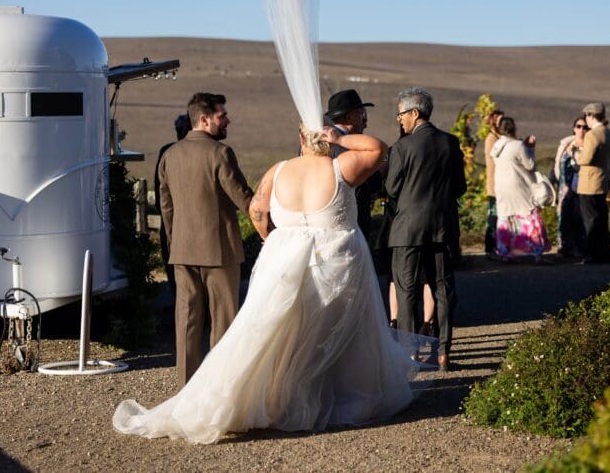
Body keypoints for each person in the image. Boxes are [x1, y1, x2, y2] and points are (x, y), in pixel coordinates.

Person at [114, 126, 418, 443]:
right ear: (325, 137)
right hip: (336, 265)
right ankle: (323, 397)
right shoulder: (340, 168)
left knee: (275, 333)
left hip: (282, 264)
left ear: (301, 139)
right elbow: (377, 149)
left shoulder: (279, 169)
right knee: (332, 333)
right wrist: (341, 139)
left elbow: (257, 210)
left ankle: (267, 399)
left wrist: (268, 238)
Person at [158, 93, 254, 387]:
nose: (227, 120)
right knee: (222, 323)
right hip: (220, 252)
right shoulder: (220, 153)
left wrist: (177, 243)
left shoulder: (169, 155)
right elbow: (244, 200)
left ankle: (186, 392)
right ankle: (218, 391)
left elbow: (167, 208)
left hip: (182, 252)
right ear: (203, 119)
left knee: (186, 324)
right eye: (222, 116)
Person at [386, 87, 466, 371]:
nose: (399, 120)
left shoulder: (402, 148)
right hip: (443, 227)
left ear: (414, 113)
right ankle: (443, 353)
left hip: (407, 229)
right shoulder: (451, 142)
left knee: (406, 290)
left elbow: (392, 188)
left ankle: (411, 354)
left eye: (401, 114)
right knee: (443, 289)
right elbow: (461, 187)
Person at [490, 117, 550, 261]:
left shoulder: (497, 145)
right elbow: (529, 165)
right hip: (518, 186)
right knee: (528, 214)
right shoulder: (518, 145)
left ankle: (506, 253)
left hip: (501, 186)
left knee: (506, 217)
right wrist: (530, 147)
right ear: (514, 128)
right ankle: (536, 252)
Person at [325, 89, 380, 239]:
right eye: (360, 114)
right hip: (351, 224)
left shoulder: (317, 143)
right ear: (349, 116)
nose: (364, 121)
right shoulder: (350, 146)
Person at [153, 113, 192, 299]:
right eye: (177, 130)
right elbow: (159, 185)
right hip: (169, 214)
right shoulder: (166, 151)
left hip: (182, 216)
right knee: (170, 261)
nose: (179, 133)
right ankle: (176, 297)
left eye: (182, 130)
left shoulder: (173, 152)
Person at [576, 102, 610, 264]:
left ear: (591, 116)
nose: (586, 119)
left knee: (590, 221)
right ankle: (604, 254)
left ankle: (592, 255)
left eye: (587, 115)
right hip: (603, 181)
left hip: (589, 184)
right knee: (601, 220)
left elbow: (585, 159)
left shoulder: (592, 135)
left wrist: (579, 150)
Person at [554, 116, 587, 259]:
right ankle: (563, 248)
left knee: (578, 218)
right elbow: (557, 165)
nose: (581, 130)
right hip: (564, 187)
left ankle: (577, 248)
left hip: (580, 187)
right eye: (579, 126)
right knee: (563, 218)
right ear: (574, 128)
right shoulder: (565, 145)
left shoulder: (588, 146)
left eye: (585, 127)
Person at [483, 109, 504, 255]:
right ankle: (489, 246)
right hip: (495, 184)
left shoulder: (500, 137)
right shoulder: (491, 138)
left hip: (501, 182)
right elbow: (493, 161)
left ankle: (498, 244)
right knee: (493, 215)